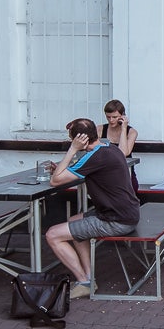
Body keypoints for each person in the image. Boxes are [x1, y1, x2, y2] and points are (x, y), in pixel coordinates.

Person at [44, 117, 141, 299]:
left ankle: (83, 281)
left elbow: (55, 181)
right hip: (127, 212)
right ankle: (89, 277)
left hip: (116, 220)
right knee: (74, 221)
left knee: (52, 235)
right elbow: (79, 170)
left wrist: (72, 149)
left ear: (79, 139)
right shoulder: (108, 149)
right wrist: (63, 168)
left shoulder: (92, 156)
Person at [99, 99, 139, 191]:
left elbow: (123, 152)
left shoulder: (131, 132)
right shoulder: (100, 129)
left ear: (122, 116)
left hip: (125, 174)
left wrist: (123, 128)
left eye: (115, 117)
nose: (111, 120)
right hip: (105, 173)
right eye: (108, 117)